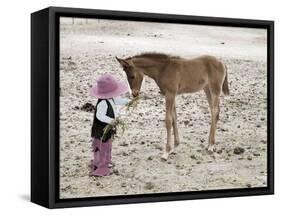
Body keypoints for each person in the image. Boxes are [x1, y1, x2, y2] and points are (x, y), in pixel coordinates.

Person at [89, 73, 129, 176]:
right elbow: (100, 116)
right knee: (102, 146)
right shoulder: (102, 103)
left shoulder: (110, 98)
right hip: (101, 130)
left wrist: (129, 102)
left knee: (108, 145)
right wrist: (111, 120)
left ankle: (107, 160)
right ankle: (101, 166)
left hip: (108, 129)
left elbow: (118, 100)